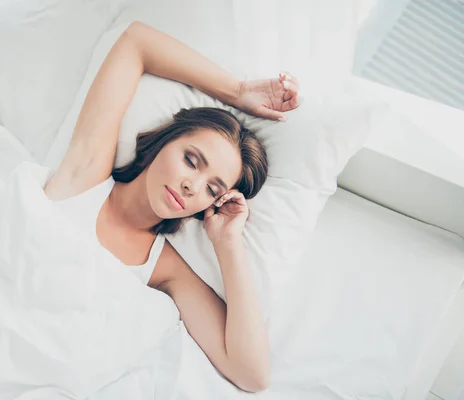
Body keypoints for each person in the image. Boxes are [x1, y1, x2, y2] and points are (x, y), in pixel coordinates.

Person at [44, 21, 300, 393]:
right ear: (163, 143)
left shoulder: (165, 267)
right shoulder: (86, 173)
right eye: (191, 160)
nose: (191, 186)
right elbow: (137, 42)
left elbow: (251, 375)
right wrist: (238, 90)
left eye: (213, 188)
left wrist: (227, 245)